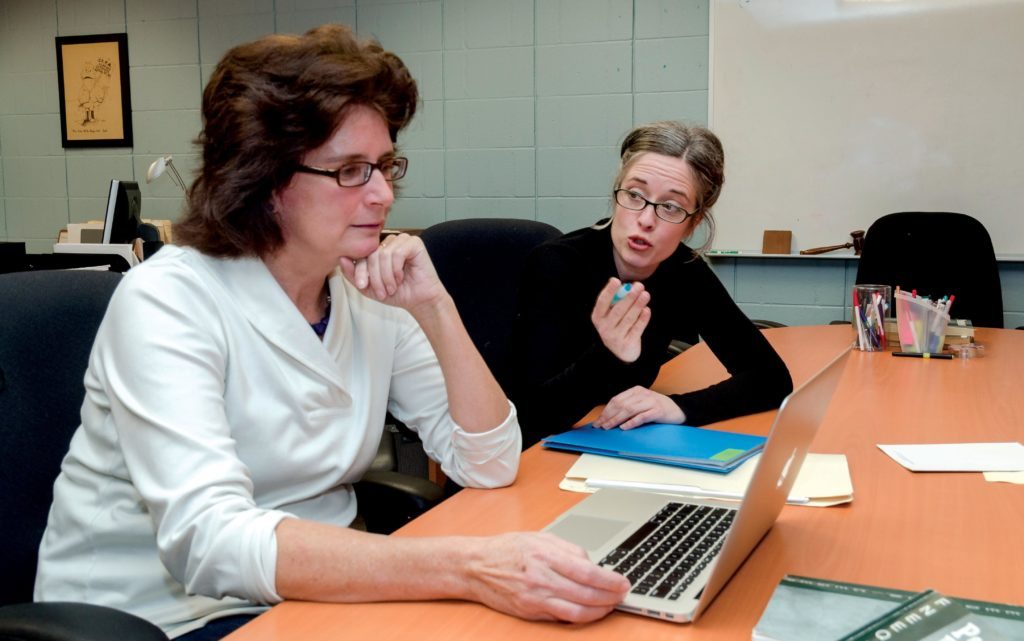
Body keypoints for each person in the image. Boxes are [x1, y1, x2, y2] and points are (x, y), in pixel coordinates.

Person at [34, 25, 628, 640]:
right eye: (350, 170)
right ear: (262, 180)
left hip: (318, 599)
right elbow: (210, 544)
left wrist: (436, 307)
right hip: (157, 615)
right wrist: (466, 565)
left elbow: (490, 462)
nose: (383, 193)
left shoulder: (367, 293)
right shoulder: (169, 301)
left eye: (384, 165)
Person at [506, 121, 793, 447]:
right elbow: (529, 416)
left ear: (693, 222)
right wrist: (608, 355)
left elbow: (771, 378)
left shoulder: (684, 269)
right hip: (542, 455)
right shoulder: (557, 264)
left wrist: (678, 407)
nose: (645, 219)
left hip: (627, 446)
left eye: (670, 206)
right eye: (635, 195)